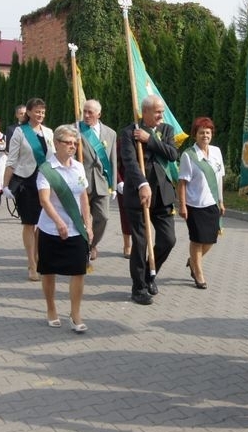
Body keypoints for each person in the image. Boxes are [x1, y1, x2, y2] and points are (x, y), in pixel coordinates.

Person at [120, 95, 179, 305]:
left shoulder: (166, 130)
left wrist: (150, 140)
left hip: (162, 194)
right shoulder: (129, 132)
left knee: (168, 239)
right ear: (145, 112)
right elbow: (129, 162)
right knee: (141, 242)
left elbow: (173, 154)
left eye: (162, 111)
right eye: (157, 112)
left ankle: (149, 274)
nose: (161, 115)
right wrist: (142, 184)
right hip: (139, 195)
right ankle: (138, 288)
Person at [36, 124, 92, 333]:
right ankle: (51, 308)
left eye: (75, 143)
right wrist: (59, 222)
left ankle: (75, 313)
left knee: (78, 271)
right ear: (56, 143)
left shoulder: (78, 167)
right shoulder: (46, 170)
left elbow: (83, 197)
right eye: (68, 142)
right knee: (48, 271)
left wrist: (88, 223)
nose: (72, 146)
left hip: (76, 228)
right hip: (51, 229)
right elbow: (44, 200)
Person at [3, 98, 55, 281]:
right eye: (37, 111)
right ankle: (31, 263)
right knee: (29, 223)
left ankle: (38, 255)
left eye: (43, 112)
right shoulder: (20, 132)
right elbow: (12, 160)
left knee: (43, 222)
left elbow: (53, 158)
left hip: (45, 181)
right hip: (26, 182)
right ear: (29, 113)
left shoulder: (48, 132)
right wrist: (5, 185)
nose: (40, 115)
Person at [177, 116, 225, 289]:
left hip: (212, 203)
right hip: (194, 205)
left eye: (208, 132)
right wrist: (182, 205)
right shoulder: (188, 155)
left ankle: (192, 261)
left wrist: (221, 201)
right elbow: (182, 182)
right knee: (197, 240)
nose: (205, 135)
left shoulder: (216, 152)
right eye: (201, 132)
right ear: (195, 135)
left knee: (210, 240)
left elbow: (219, 179)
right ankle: (198, 274)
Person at [78, 99, 117, 261]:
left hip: (102, 182)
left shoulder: (110, 133)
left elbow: (113, 160)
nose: (86, 115)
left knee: (103, 217)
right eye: (84, 111)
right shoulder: (76, 129)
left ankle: (92, 244)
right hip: (82, 182)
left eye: (90, 112)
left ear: (99, 114)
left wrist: (113, 185)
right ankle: (82, 248)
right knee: (81, 218)